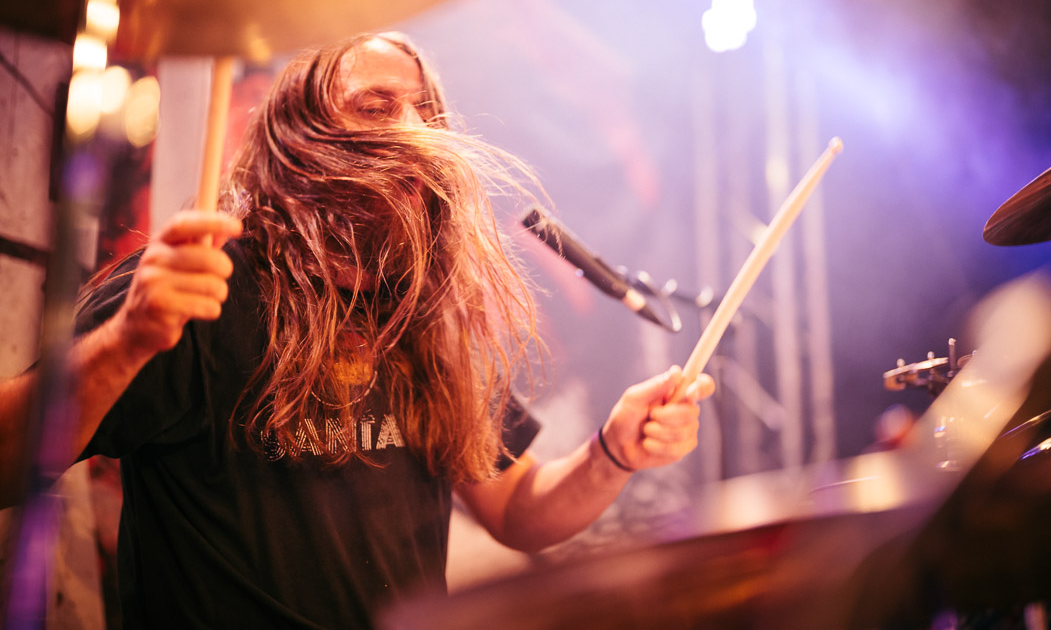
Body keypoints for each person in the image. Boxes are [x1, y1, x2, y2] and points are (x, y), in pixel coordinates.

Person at [0, 31, 714, 628]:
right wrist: (126, 342)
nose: (411, 129)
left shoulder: (421, 318)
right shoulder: (202, 287)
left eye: (421, 110)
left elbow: (518, 510)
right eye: (377, 106)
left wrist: (613, 453)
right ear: (298, 140)